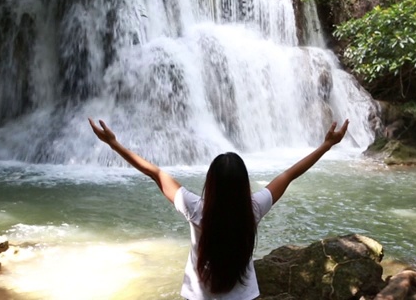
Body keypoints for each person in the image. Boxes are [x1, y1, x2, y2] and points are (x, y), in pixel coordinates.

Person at [88, 118, 349, 300]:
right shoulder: (254, 208)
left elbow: (155, 173)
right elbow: (290, 174)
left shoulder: (195, 208)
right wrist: (326, 146)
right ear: (243, 183)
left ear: (210, 183)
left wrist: (114, 144)